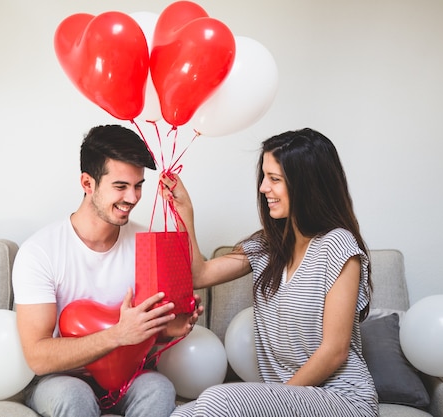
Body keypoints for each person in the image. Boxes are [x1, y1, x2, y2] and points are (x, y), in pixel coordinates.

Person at [161, 128, 379, 417]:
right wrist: (184, 210)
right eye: (265, 177)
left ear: (306, 184)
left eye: (275, 179)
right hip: (288, 399)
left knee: (217, 399)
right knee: (182, 414)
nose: (263, 188)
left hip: (342, 399)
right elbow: (200, 276)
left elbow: (335, 351)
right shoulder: (268, 246)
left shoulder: (337, 245)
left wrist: (275, 402)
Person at [12, 124, 202, 417]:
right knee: (74, 396)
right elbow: (38, 358)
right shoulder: (40, 252)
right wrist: (117, 335)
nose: (133, 197)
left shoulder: (145, 244)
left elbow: (146, 332)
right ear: (87, 183)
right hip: (63, 379)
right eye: (120, 186)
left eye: (138, 185)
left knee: (159, 388)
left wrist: (170, 330)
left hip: (128, 376)